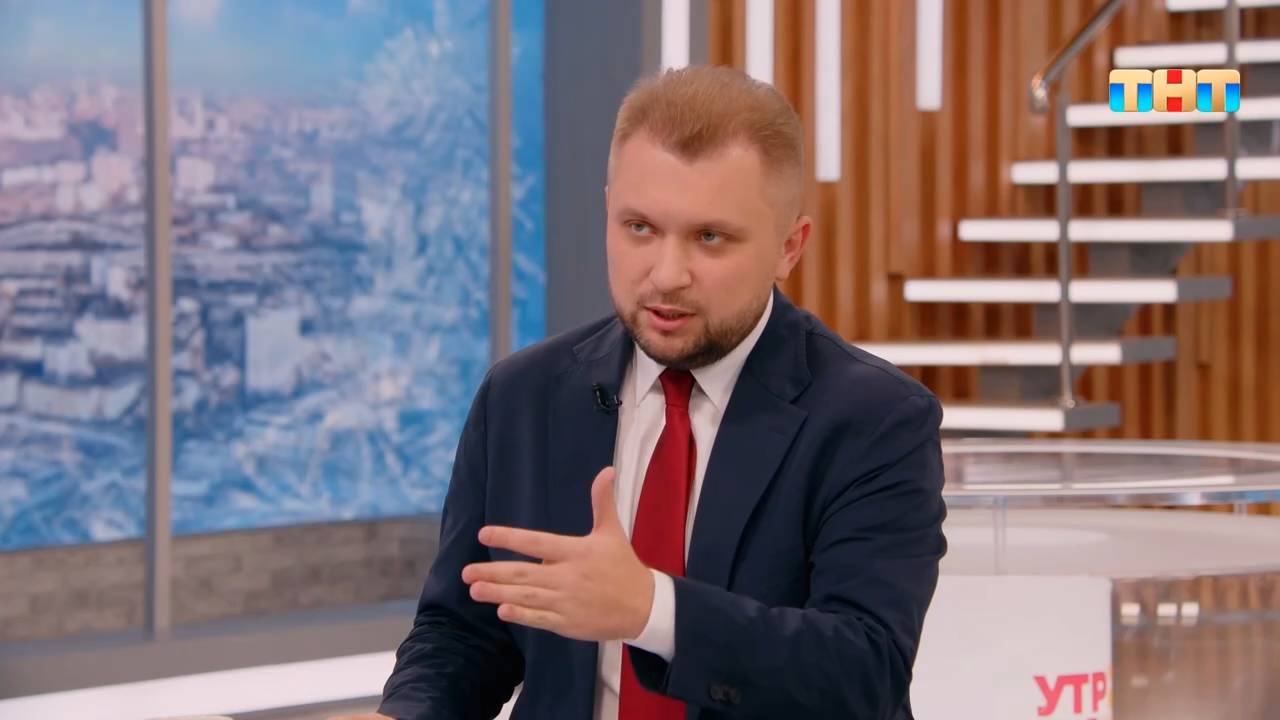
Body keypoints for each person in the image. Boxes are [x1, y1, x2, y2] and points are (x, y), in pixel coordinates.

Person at [340, 64, 946, 720]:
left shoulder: (875, 419)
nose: (666, 274)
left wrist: (653, 611)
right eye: (640, 228)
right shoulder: (523, 396)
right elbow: (464, 634)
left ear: (788, 248)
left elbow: (864, 670)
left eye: (709, 238)